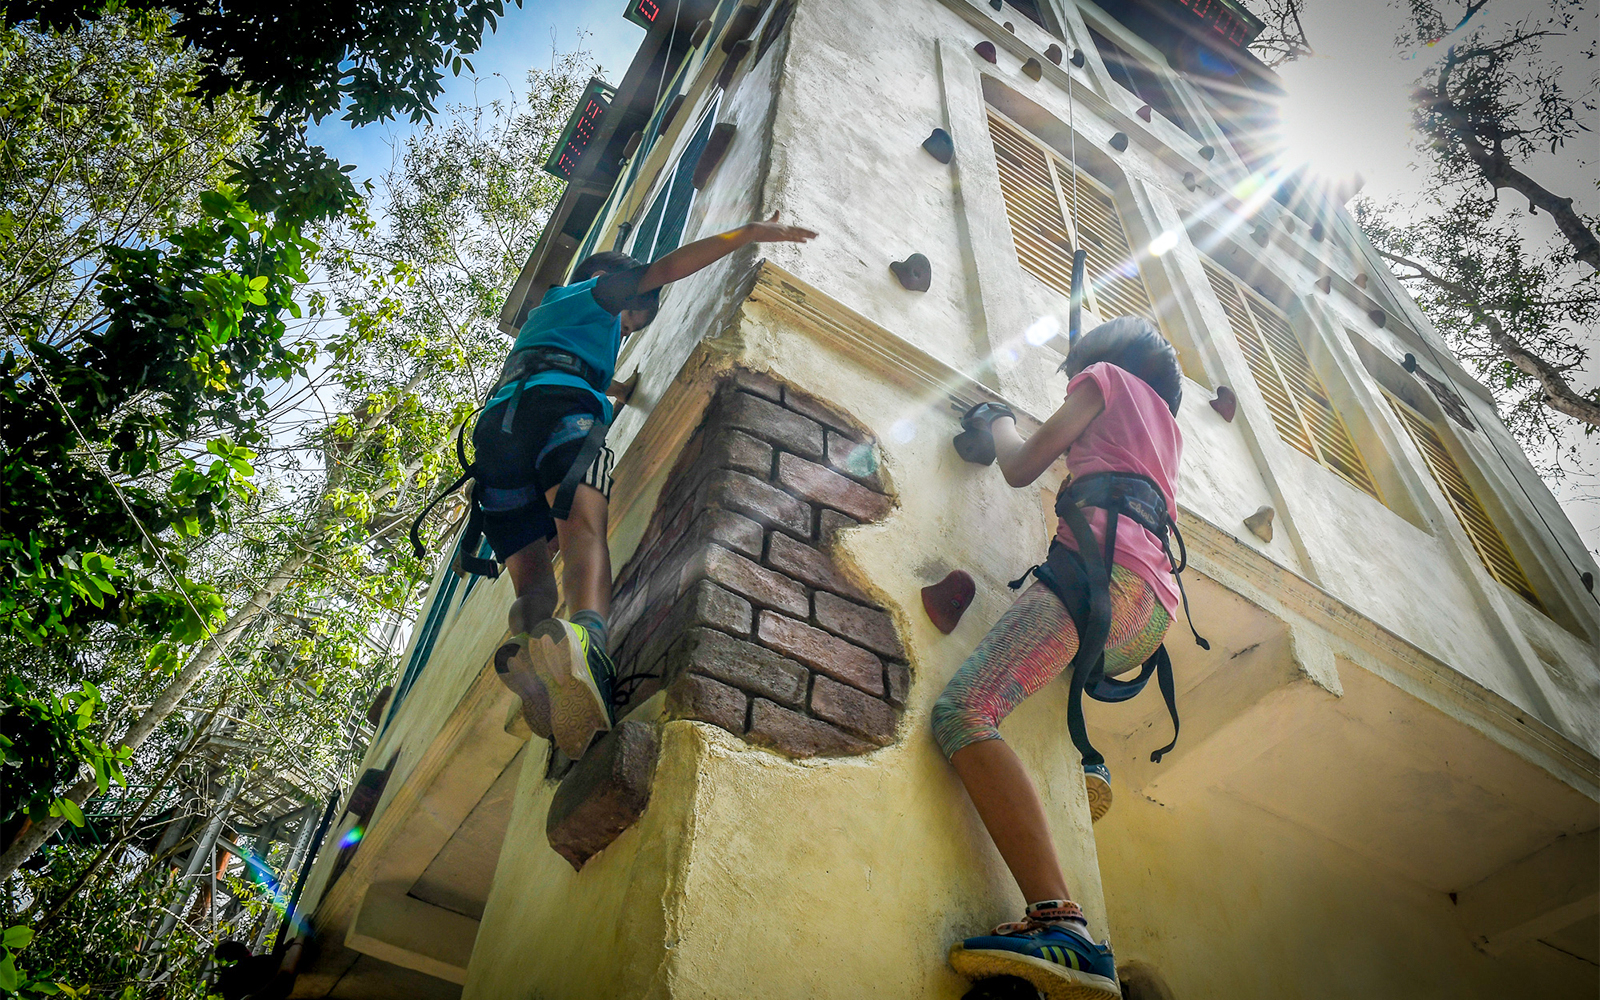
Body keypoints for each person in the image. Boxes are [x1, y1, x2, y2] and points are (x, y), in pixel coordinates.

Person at [482, 213, 817, 762]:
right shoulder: (598, 291)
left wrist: (614, 393)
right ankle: (587, 639)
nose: (630, 329)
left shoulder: (545, 316)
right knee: (583, 529)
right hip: (559, 413)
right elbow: (664, 270)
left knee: (532, 583)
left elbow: (572, 372)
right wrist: (748, 234)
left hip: (497, 431)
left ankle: (530, 653)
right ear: (625, 294)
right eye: (635, 322)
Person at [934, 317, 1186, 1000]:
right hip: (1148, 612)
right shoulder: (1166, 427)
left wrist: (998, 420)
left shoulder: (1103, 380)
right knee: (1036, 681)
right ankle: (1088, 764)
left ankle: (1059, 919)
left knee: (965, 710)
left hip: (1100, 575)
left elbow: (1019, 466)